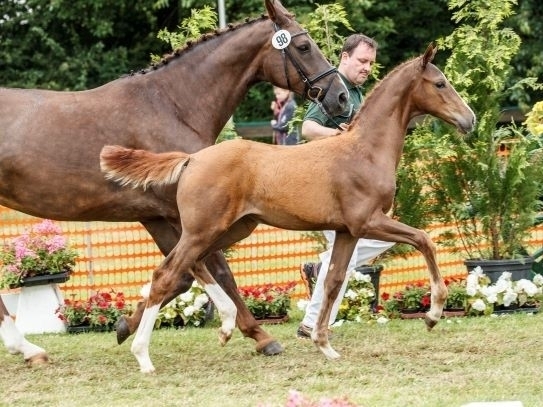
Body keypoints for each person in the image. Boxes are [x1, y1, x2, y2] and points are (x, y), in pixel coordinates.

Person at [297, 34, 396, 339]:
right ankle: (312, 323)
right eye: (362, 61)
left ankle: (323, 267)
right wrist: (337, 136)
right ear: (344, 57)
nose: (367, 68)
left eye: (371, 63)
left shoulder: (355, 93)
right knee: (347, 255)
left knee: (387, 237)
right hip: (328, 187)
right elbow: (307, 128)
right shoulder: (335, 90)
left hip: (350, 189)